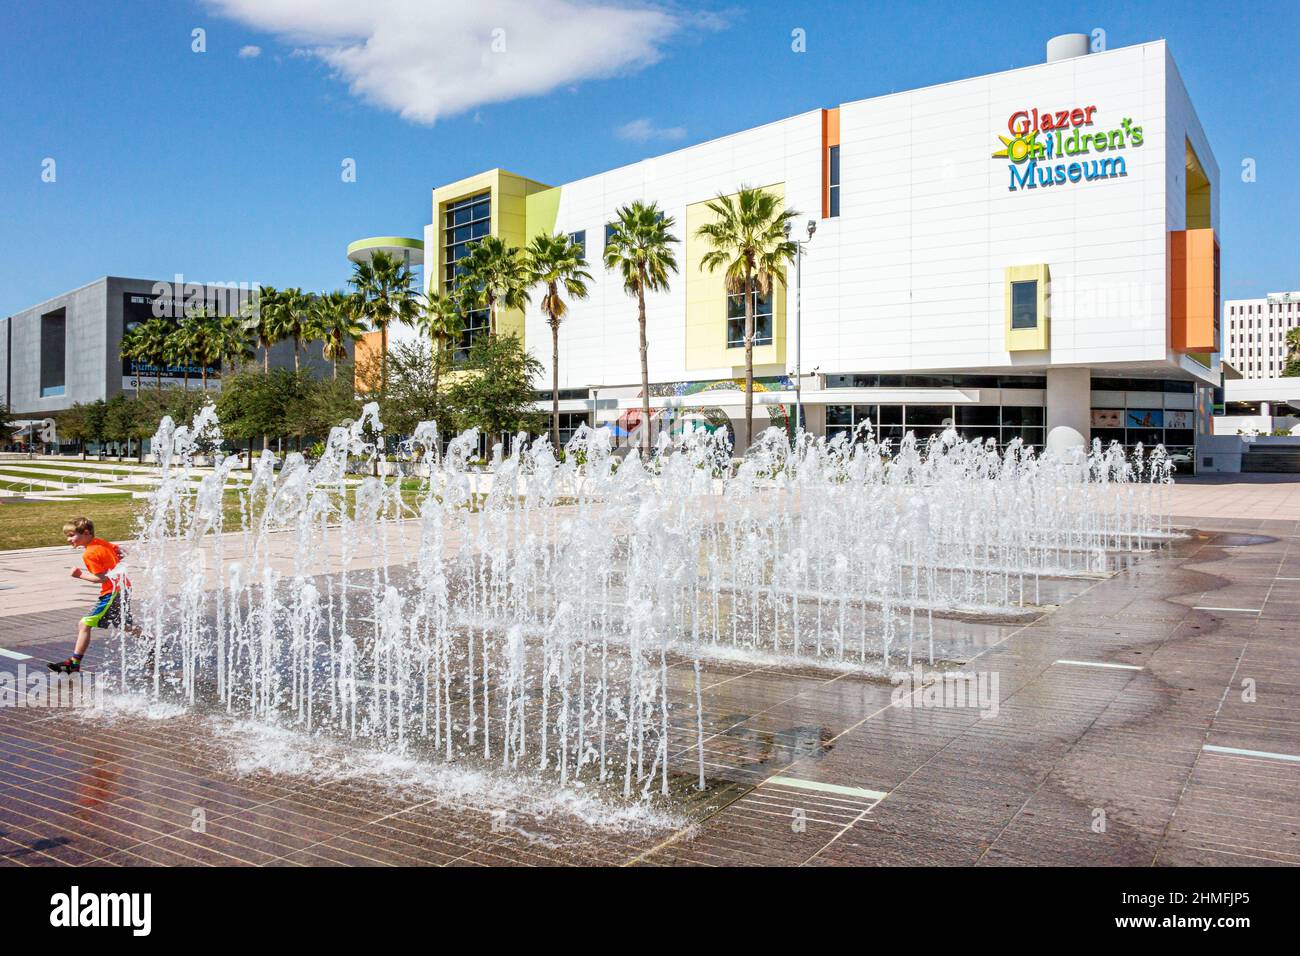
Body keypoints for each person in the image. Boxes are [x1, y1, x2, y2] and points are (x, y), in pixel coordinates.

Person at [49, 517, 138, 674]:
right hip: (123, 587)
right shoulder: (101, 542)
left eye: (71, 535)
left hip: (113, 592)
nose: (69, 540)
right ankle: (154, 643)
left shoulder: (89, 553)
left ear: (86, 533)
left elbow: (100, 578)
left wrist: (79, 575)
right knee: (124, 625)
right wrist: (113, 565)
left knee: (84, 624)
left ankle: (74, 663)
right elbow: (122, 551)